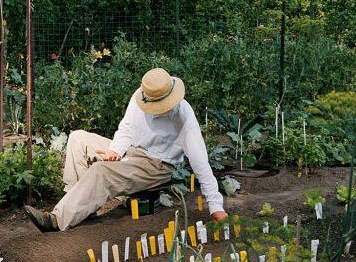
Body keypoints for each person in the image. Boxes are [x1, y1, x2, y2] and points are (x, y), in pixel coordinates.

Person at [24, 67, 227, 232]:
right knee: (78, 138)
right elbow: (127, 129)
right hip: (131, 152)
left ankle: (57, 220)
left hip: (156, 167)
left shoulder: (183, 116)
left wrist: (215, 207)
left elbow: (200, 162)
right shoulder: (141, 96)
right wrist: (115, 151)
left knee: (101, 170)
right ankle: (80, 207)